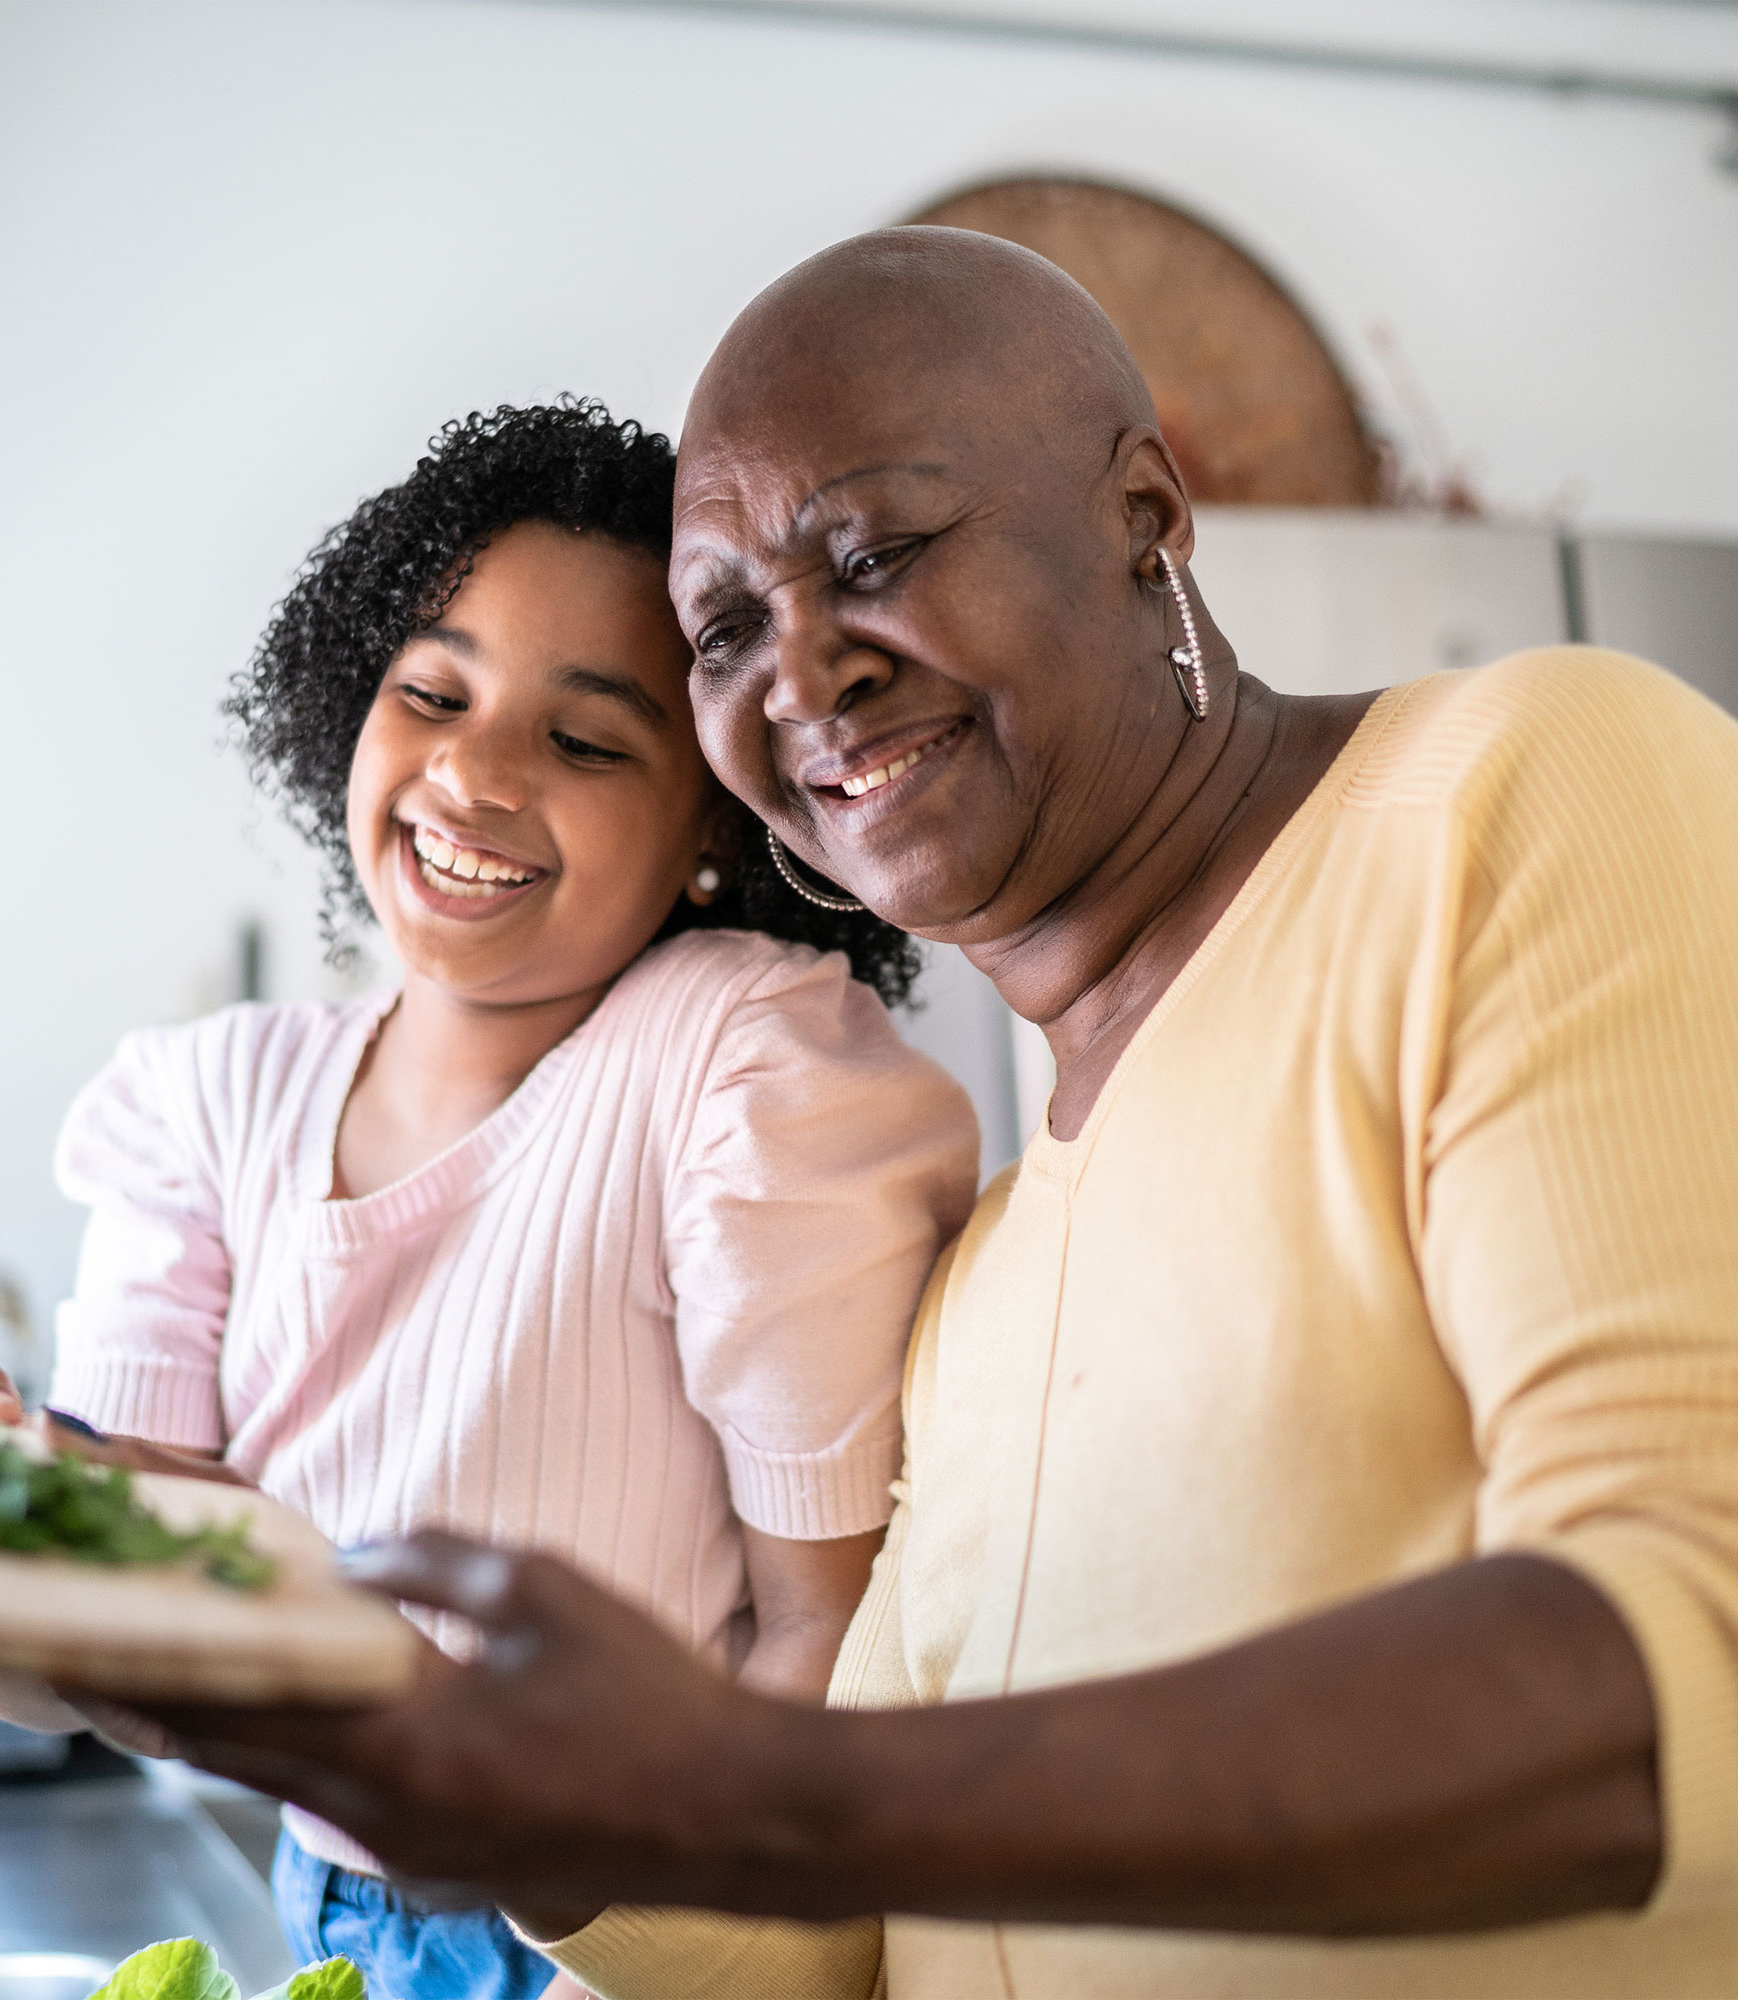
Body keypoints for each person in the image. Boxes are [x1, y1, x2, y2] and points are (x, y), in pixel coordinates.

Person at [101, 232, 1738, 2000]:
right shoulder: (983, 1276)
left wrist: (782, 1784)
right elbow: (834, 1943)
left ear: (1144, 518)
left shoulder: (1517, 789)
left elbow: (1689, 1651)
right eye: (726, 630)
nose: (801, 675)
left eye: (871, 555)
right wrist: (494, 1788)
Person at [0, 401, 978, 2000]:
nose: (471, 772)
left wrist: (668, 1944)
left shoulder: (734, 1061)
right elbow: (105, 1668)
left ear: (713, 832)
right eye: (432, 693)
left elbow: (838, 1630)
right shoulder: (204, 1104)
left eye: (586, 740)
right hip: (334, 1907)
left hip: (638, 1919)